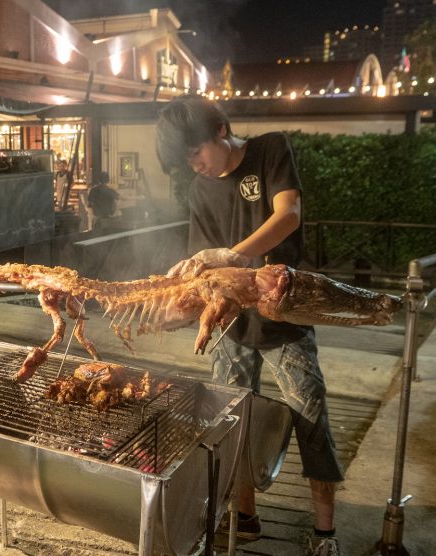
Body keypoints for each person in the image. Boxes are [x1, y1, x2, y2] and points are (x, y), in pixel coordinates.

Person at [156, 97, 343, 556]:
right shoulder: (199, 192)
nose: (193, 164)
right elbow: (205, 272)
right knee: (230, 419)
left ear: (221, 130)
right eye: (184, 160)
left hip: (284, 318)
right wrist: (176, 307)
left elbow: (289, 216)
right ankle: (247, 516)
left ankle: (324, 534)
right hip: (232, 326)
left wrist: (235, 256)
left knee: (309, 412)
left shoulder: (270, 150)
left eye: (195, 151)